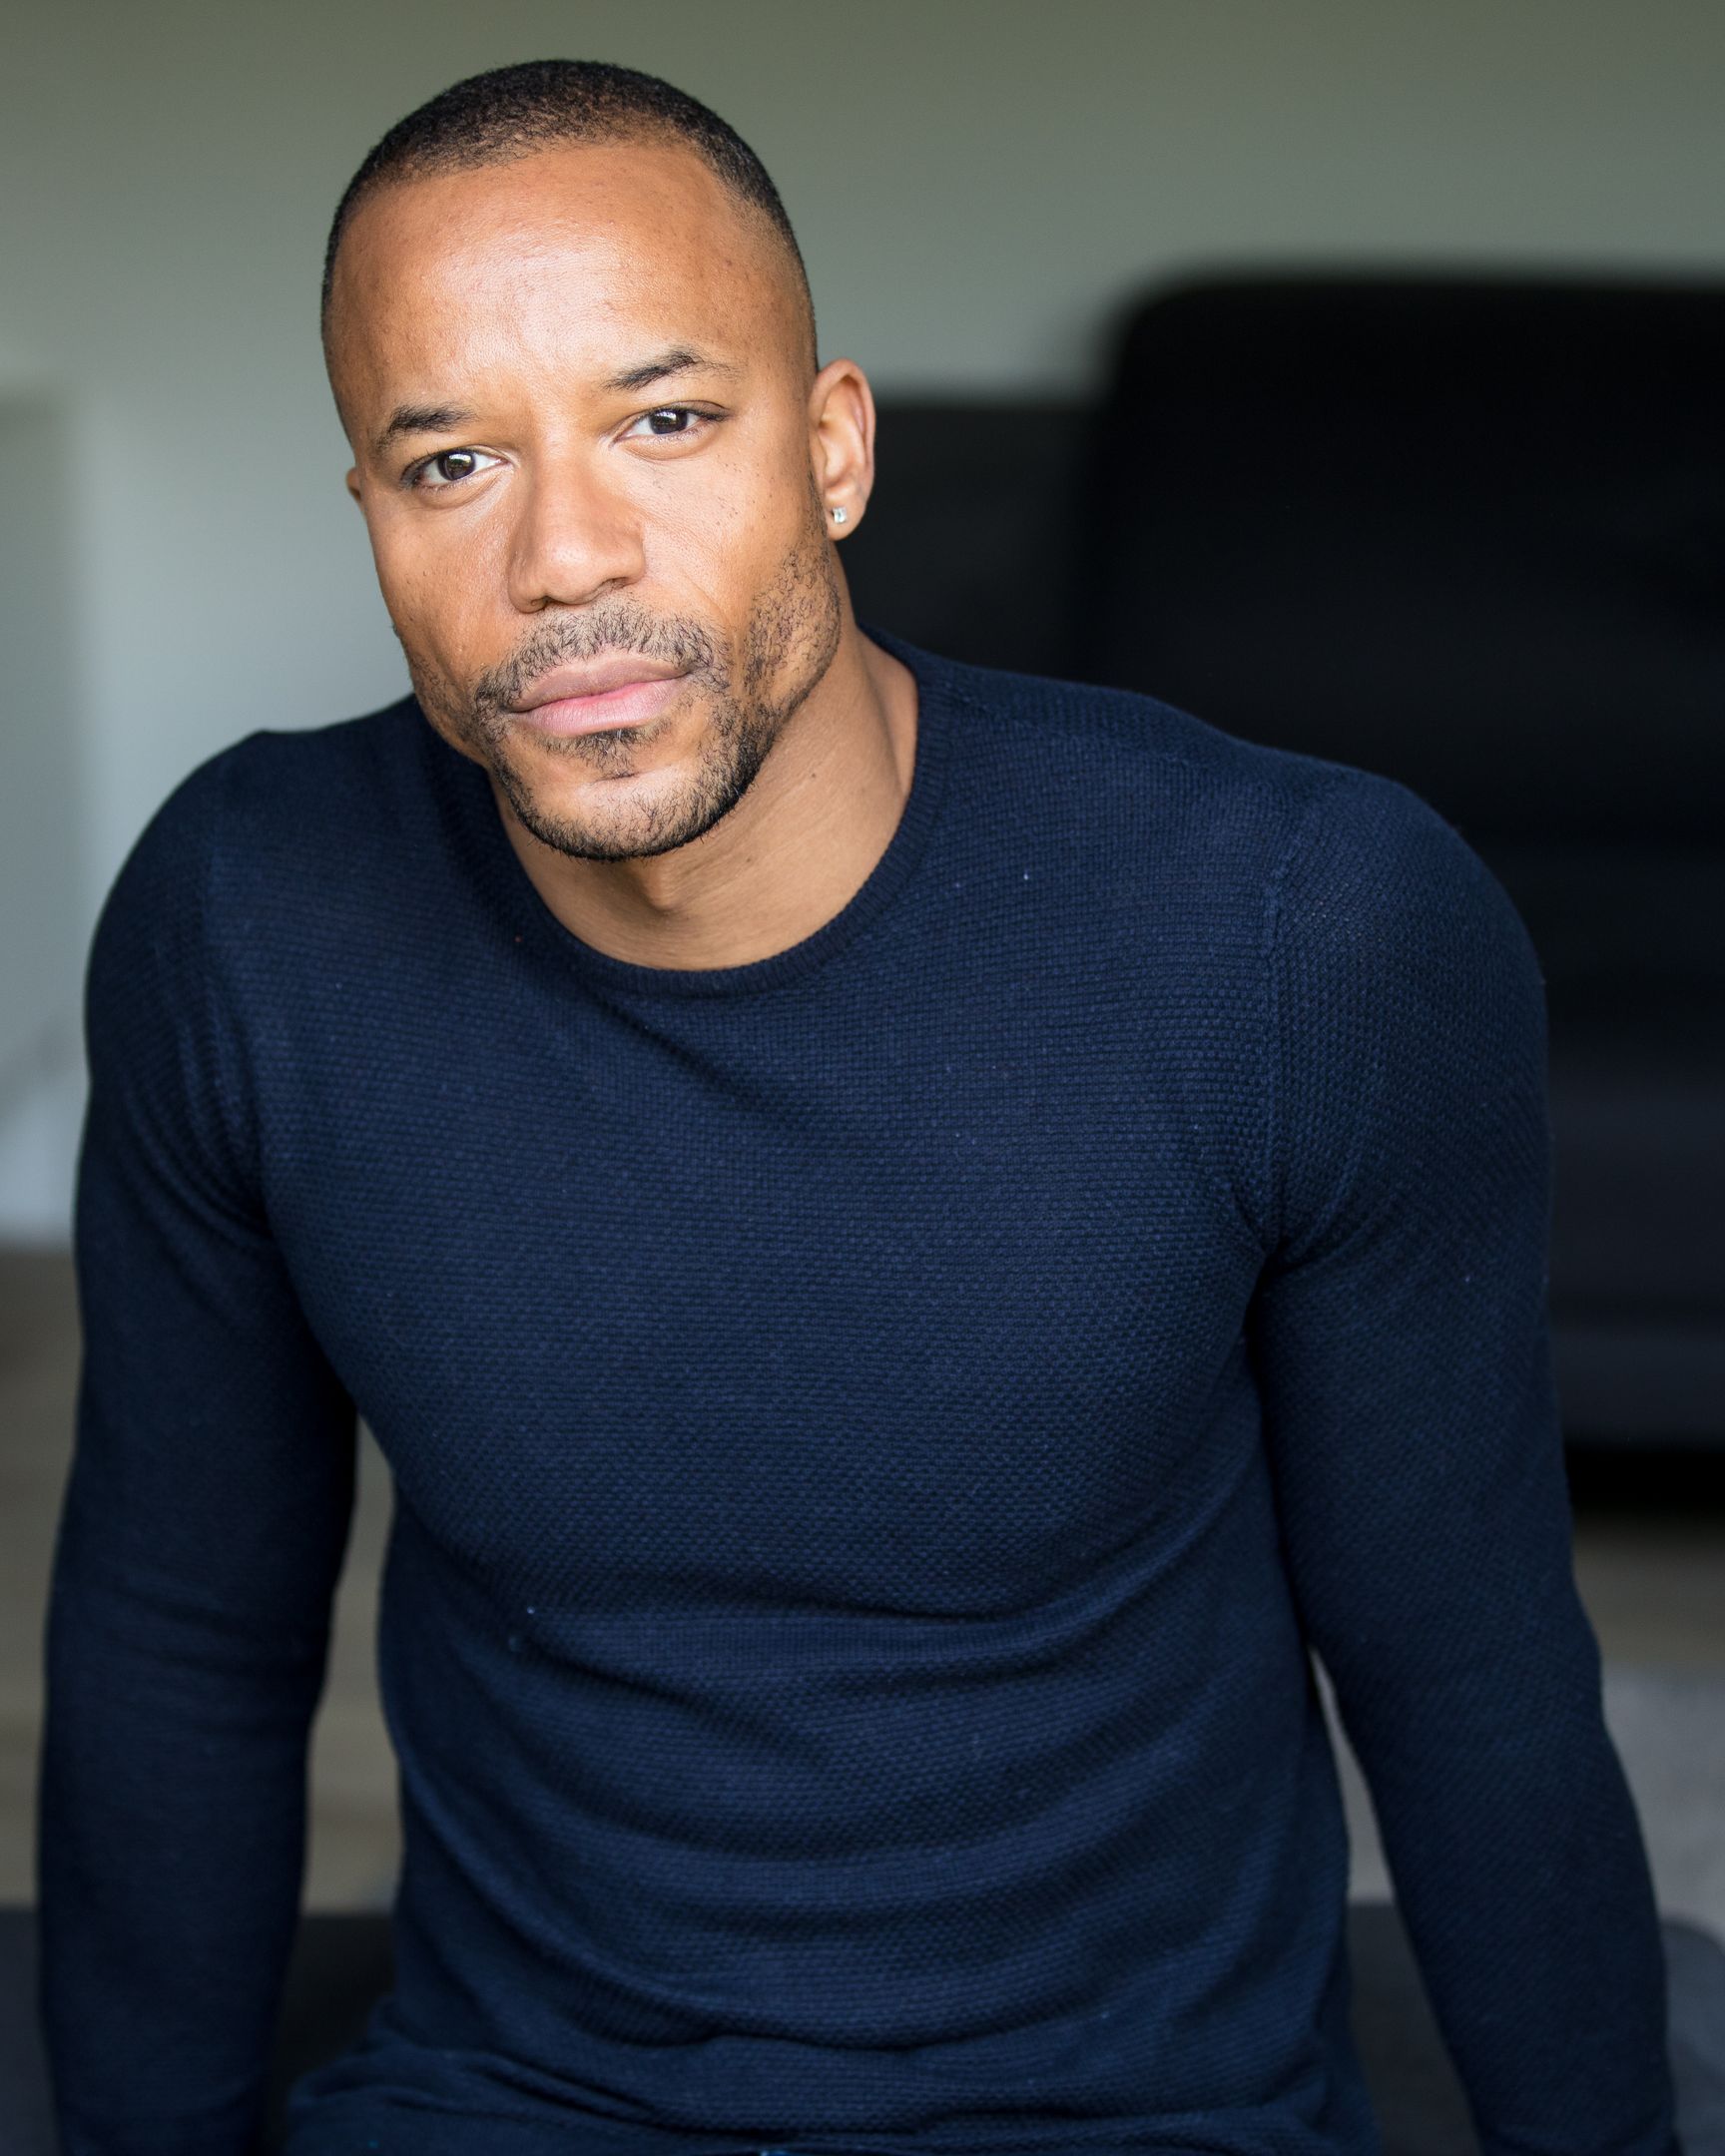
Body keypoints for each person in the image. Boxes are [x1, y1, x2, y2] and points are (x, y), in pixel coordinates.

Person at [36, 56, 1678, 2156]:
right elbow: (182, 1638)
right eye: (452, 461)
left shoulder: (1301, 928)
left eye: (664, 420)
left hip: (1130, 2118)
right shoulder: (245, 918)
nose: (564, 556)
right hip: (511, 2103)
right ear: (369, 510)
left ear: (832, 450)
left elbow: (1465, 1666)